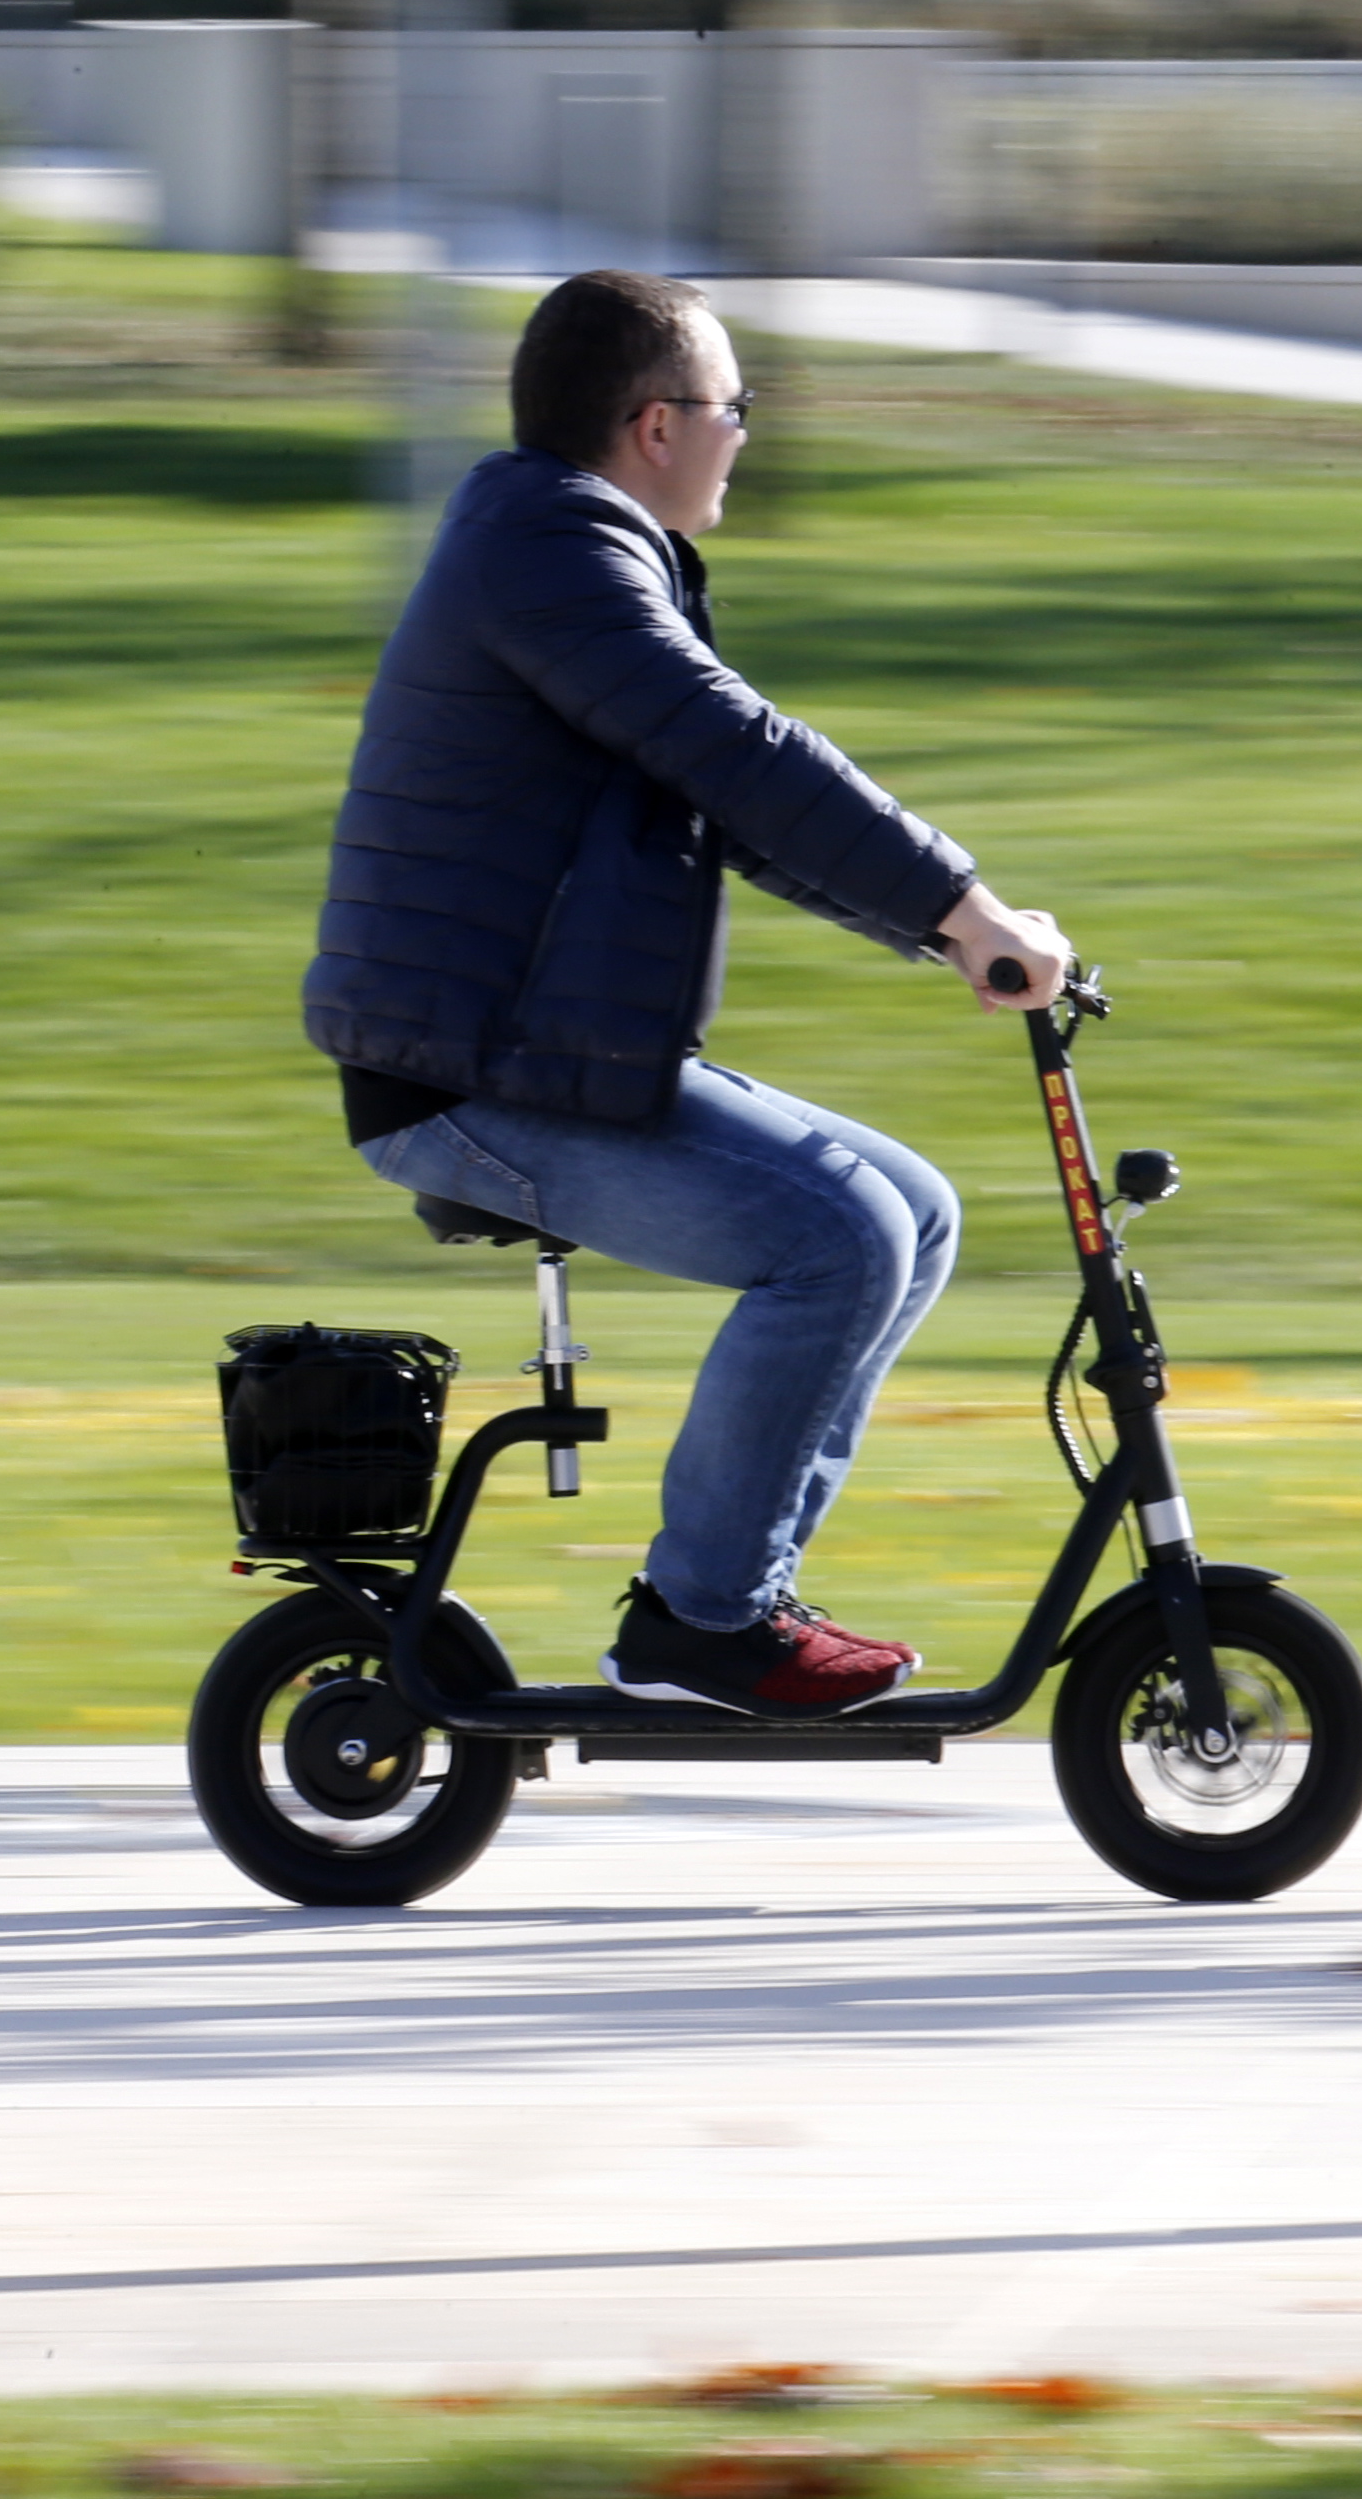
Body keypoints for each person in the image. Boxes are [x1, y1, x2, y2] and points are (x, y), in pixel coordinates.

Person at [304, 269, 1073, 1716]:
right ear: (657, 425)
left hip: (530, 1049)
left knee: (911, 1206)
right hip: (468, 1075)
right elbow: (742, 751)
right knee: (838, 1239)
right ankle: (703, 1619)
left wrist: (947, 938)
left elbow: (729, 808)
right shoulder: (554, 555)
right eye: (737, 407)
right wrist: (963, 905)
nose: (744, 435)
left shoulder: (564, 545)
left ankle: (732, 1596)